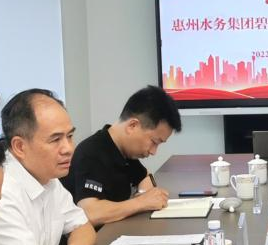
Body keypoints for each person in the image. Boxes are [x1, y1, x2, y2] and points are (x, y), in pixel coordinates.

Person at [0, 89, 159, 245]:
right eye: (55, 140)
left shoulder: (48, 178)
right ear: (20, 147)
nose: (68, 149)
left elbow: (82, 226)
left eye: (69, 136)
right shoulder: (1, 190)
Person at [64, 85, 182, 226]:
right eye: (154, 142)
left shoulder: (124, 151)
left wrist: (144, 193)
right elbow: (90, 213)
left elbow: (145, 177)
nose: (153, 151)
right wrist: (141, 202)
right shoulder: (90, 153)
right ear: (132, 126)